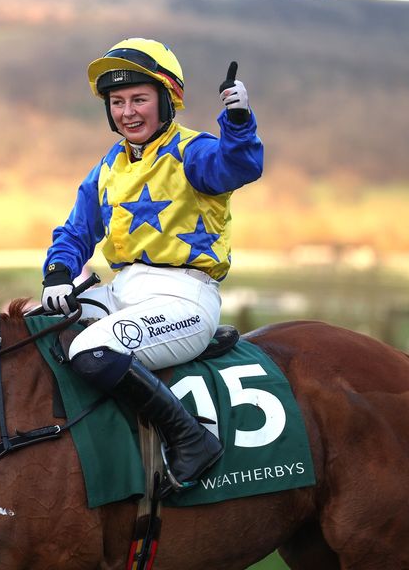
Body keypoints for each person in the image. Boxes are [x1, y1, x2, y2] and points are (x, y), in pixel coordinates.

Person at [41, 37, 263, 492]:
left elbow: (237, 166)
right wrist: (58, 273)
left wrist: (238, 122)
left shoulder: (194, 152)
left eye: (139, 99)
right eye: (117, 102)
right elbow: (76, 231)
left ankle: (192, 439)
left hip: (184, 293)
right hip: (123, 291)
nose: (127, 112)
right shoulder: (108, 167)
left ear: (166, 100)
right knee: (34, 322)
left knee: (89, 351)